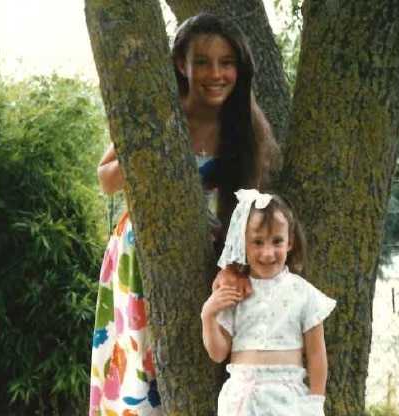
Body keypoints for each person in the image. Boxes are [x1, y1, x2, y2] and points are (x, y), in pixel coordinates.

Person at [89, 12, 281, 416]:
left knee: (196, 358)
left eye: (226, 62)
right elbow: (106, 179)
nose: (215, 73)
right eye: (202, 62)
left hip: (214, 256)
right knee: (141, 360)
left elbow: (253, 206)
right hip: (142, 255)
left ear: (239, 67)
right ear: (181, 64)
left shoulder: (245, 124)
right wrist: (150, 152)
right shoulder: (162, 115)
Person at [201, 189, 337, 415]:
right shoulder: (235, 292)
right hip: (242, 399)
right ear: (243, 243)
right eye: (257, 242)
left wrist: (315, 400)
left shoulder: (304, 294)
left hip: (287, 400)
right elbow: (217, 353)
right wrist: (208, 316)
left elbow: (316, 353)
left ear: (290, 243)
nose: (267, 253)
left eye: (277, 241)